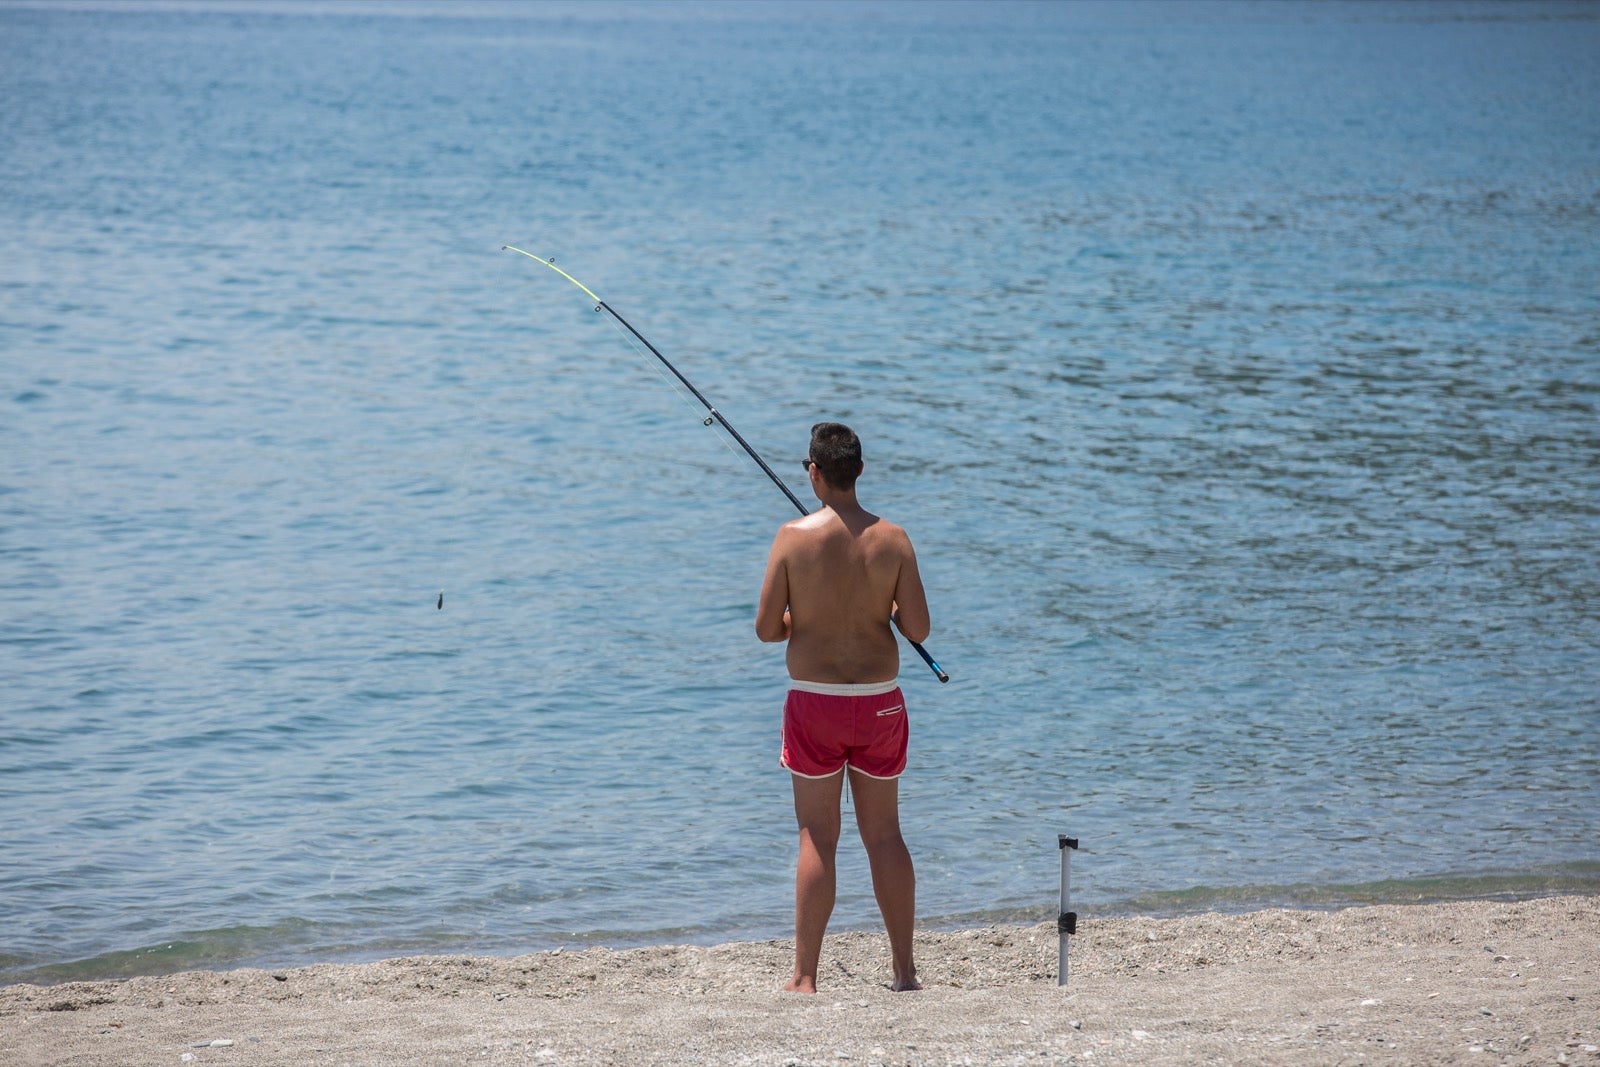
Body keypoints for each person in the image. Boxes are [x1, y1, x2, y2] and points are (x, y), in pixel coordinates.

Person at [755, 422, 931, 993]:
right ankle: (905, 973)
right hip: (879, 703)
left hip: (816, 704)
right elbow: (920, 627)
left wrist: (803, 621)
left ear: (814, 472)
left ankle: (805, 977)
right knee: (885, 835)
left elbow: (765, 629)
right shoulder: (895, 539)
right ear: (859, 471)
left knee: (817, 835)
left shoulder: (791, 536)